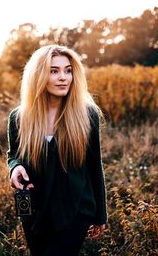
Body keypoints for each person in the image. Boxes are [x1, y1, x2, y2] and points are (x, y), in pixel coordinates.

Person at [7, 44, 107, 256]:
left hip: (76, 209)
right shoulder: (19, 118)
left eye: (68, 70)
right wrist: (15, 168)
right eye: (54, 71)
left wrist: (100, 216)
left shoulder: (86, 115)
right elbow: (13, 155)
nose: (64, 77)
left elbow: (94, 166)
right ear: (38, 75)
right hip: (35, 210)